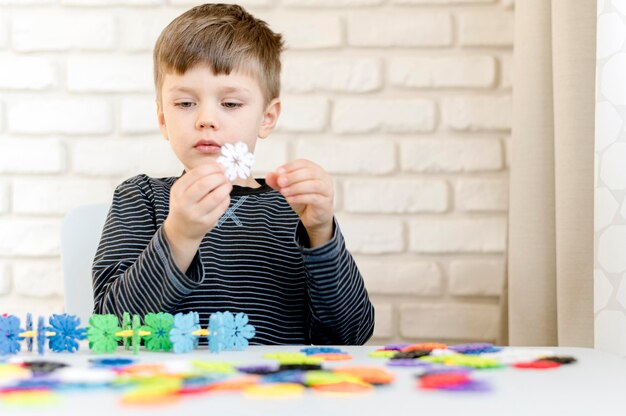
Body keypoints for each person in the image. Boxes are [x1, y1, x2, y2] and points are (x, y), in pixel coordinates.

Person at [92, 3, 374, 345]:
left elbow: (350, 336)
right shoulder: (141, 198)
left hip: (277, 392)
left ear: (267, 118)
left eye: (230, 104)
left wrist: (320, 232)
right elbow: (113, 330)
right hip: (174, 393)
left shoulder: (293, 208)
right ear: (163, 119)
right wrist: (179, 236)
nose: (206, 119)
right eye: (185, 104)